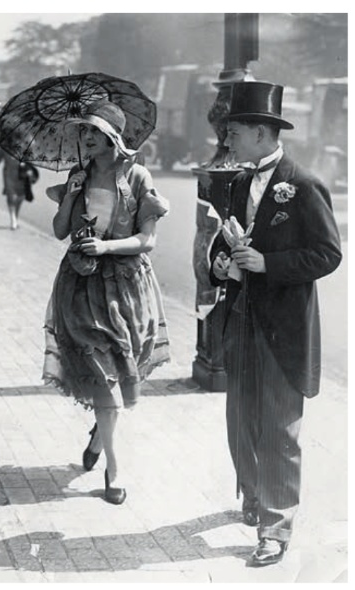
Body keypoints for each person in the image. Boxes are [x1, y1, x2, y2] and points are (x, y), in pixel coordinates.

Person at [209, 81, 341, 567]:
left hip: (284, 324)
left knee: (280, 427)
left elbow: (328, 254)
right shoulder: (240, 182)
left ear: (263, 134)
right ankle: (253, 495)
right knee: (239, 419)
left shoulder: (303, 185)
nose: (228, 142)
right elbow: (230, 244)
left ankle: (276, 525)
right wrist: (225, 266)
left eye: (235, 133)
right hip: (242, 313)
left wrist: (269, 264)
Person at [42, 99, 170, 505]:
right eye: (85, 132)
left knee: (118, 373)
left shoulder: (137, 176)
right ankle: (115, 471)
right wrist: (71, 196)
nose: (87, 138)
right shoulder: (79, 176)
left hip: (126, 288)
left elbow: (147, 240)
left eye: (94, 131)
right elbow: (60, 230)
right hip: (80, 287)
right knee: (101, 374)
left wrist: (107, 245)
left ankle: (100, 434)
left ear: (113, 136)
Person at [0, 146, 39, 230]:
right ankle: (13, 219)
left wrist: (28, 165)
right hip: (9, 174)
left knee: (21, 196)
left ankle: (15, 216)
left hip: (22, 174)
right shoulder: (4, 147)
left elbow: (31, 159)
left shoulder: (25, 144)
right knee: (11, 196)